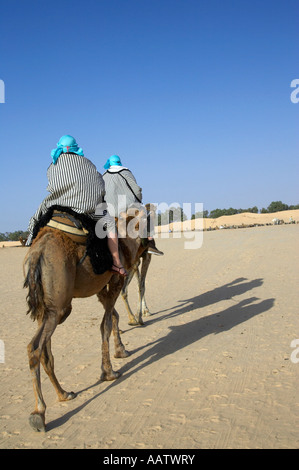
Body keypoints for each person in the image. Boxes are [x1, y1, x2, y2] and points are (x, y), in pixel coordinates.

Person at [26, 135, 127, 277]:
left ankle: (30, 239)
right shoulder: (88, 163)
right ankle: (117, 262)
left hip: (60, 203)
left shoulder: (53, 164)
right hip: (87, 208)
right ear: (76, 148)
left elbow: (52, 186)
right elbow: (100, 185)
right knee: (110, 224)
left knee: (38, 215)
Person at [102, 155, 164, 256]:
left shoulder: (104, 175)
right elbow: (137, 190)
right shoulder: (126, 172)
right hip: (128, 208)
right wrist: (139, 201)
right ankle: (150, 243)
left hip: (110, 211)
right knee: (148, 214)